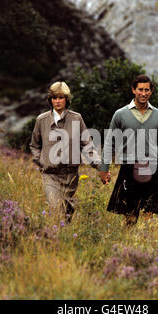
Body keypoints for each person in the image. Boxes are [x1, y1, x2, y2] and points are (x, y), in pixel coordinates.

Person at [99, 74, 158, 226]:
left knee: (149, 212)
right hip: (128, 168)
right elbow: (110, 143)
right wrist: (104, 168)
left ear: (151, 91)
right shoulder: (120, 114)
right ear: (133, 90)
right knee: (130, 214)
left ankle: (145, 242)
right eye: (140, 89)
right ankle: (129, 244)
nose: (143, 93)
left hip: (152, 168)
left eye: (147, 90)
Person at [30, 81, 99, 222]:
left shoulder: (76, 118)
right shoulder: (41, 120)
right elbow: (34, 145)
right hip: (50, 174)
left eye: (61, 98)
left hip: (70, 175)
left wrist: (99, 165)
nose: (57, 101)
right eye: (54, 98)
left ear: (67, 99)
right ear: (50, 100)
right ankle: (54, 239)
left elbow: (87, 144)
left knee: (67, 210)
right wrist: (41, 162)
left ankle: (65, 237)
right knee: (55, 208)